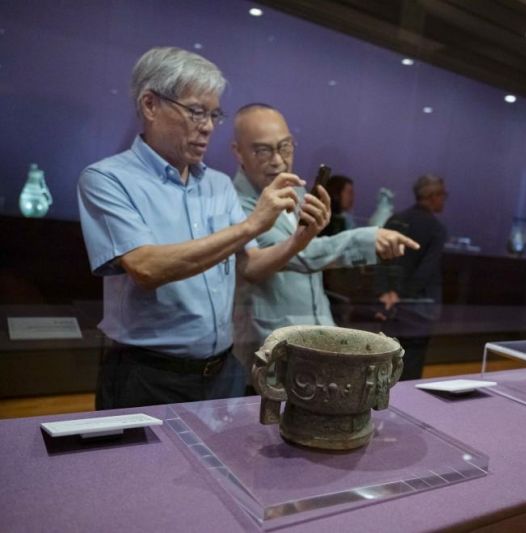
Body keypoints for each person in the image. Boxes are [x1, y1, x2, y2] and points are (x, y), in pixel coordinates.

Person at [77, 48, 330, 409]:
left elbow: (248, 267)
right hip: (150, 375)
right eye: (196, 112)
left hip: (223, 371)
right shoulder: (107, 179)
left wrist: (299, 238)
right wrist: (252, 225)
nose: (208, 126)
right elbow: (146, 268)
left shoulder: (217, 185)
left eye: (214, 114)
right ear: (150, 105)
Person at [230, 104, 418, 373]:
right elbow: (298, 254)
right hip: (270, 347)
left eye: (285, 147)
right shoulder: (234, 203)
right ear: (238, 151)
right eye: (262, 150)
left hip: (318, 335)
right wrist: (366, 240)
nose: (278, 160)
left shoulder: (294, 191)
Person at [376, 174, 448, 380]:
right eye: (442, 194)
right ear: (432, 195)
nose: (443, 199)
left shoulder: (395, 220)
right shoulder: (436, 229)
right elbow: (426, 271)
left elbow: (382, 262)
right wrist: (401, 295)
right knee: (411, 368)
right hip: (419, 310)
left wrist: (386, 294)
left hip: (389, 307)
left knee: (385, 363)